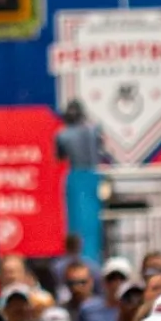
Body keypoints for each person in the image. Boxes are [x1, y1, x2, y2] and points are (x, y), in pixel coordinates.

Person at [54, 100, 108, 263]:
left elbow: (60, 156)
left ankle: (83, 258)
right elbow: (101, 148)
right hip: (93, 176)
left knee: (79, 222)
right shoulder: (93, 130)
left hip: (78, 177)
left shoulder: (63, 134)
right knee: (92, 222)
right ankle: (91, 257)